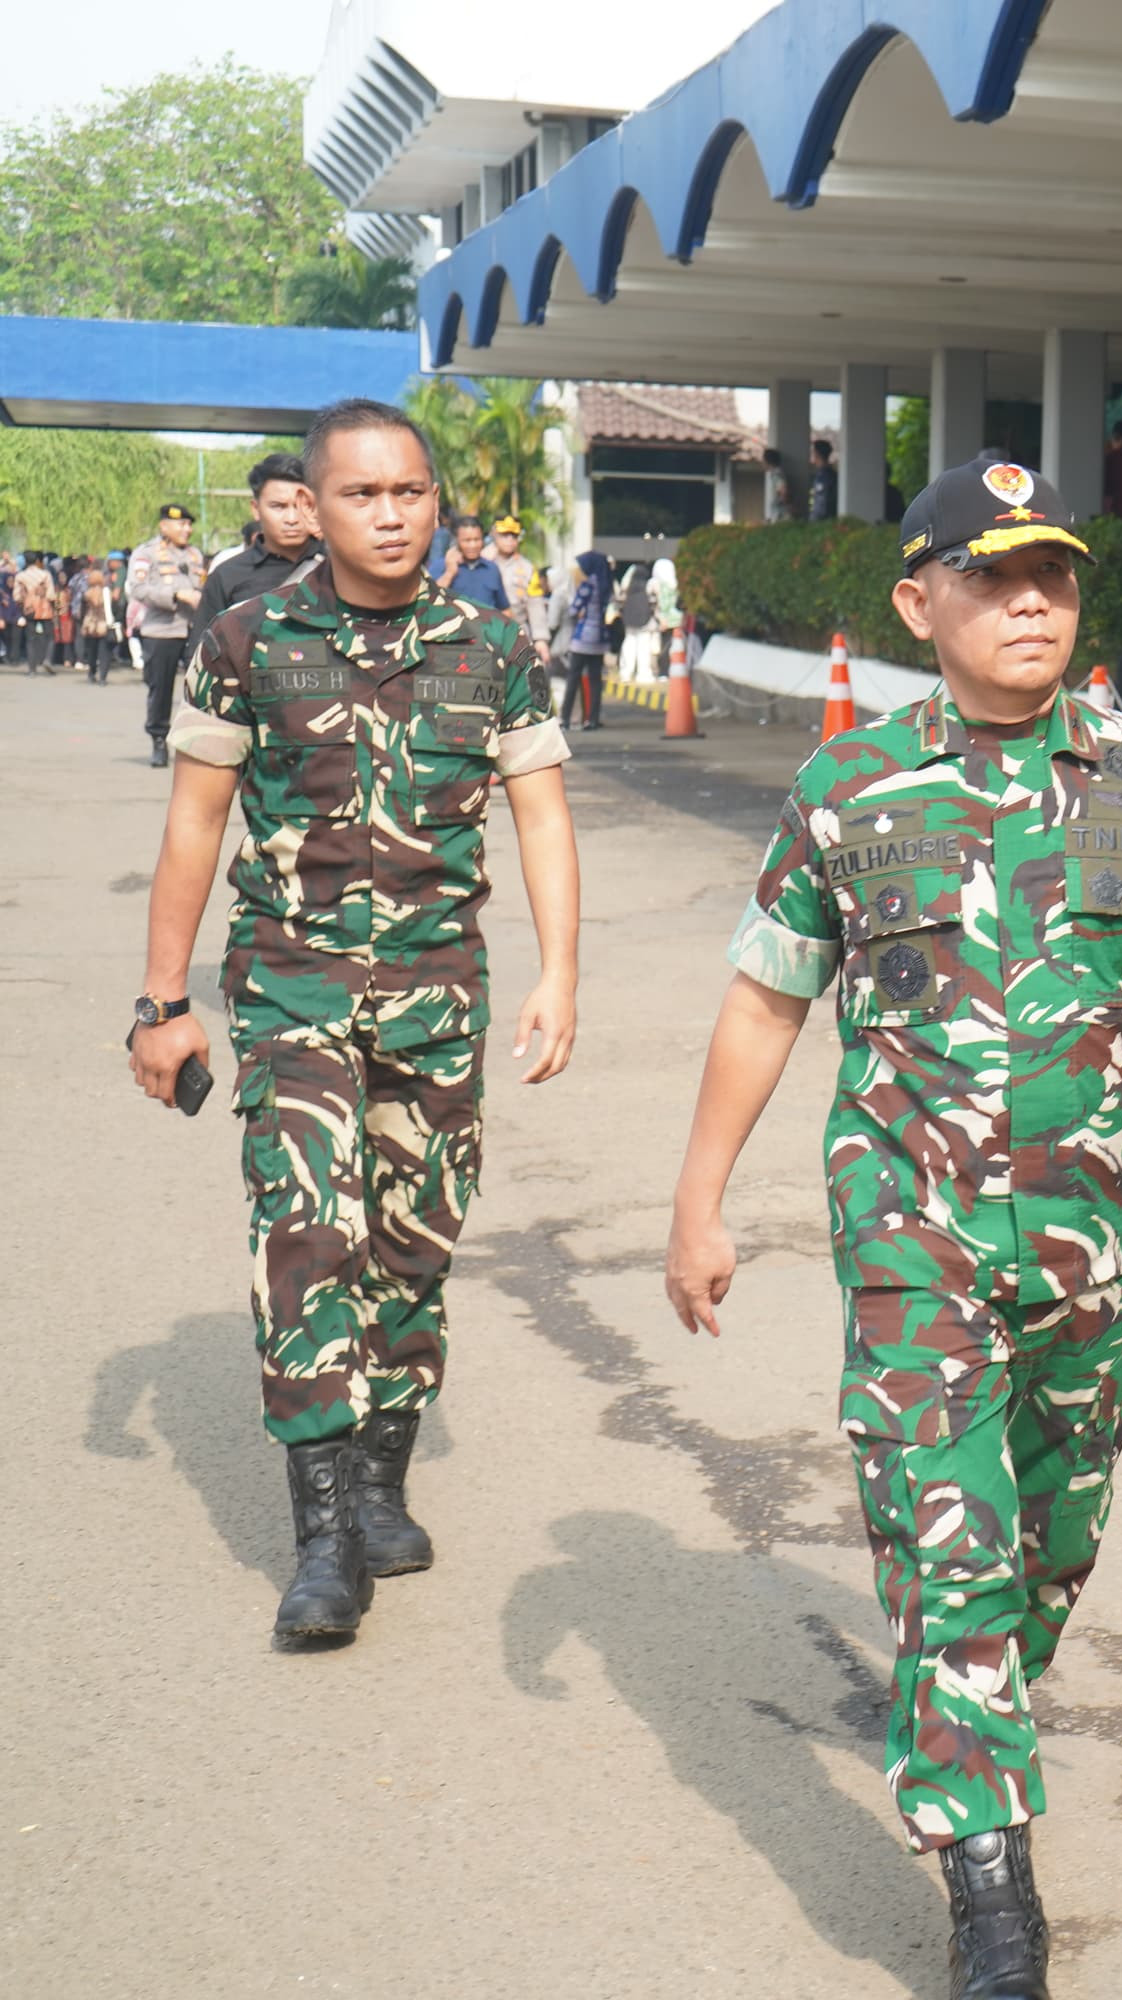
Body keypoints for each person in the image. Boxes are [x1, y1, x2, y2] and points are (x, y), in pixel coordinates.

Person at [661, 452, 1122, 2000]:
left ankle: (978, 1706)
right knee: (950, 1544)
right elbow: (767, 997)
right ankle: (989, 1872)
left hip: (1087, 1240)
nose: (1032, 602)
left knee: (1051, 1536)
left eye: (1056, 576)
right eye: (993, 576)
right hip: (913, 1237)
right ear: (918, 600)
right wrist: (699, 1198)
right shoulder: (850, 788)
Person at [132, 396, 580, 1646]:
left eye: (411, 493)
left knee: (413, 1240)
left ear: (436, 502)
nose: (391, 515)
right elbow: (192, 826)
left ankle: (383, 1474)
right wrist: (163, 1003)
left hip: (440, 994)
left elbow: (540, 815)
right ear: (312, 508)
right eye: (362, 494)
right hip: (293, 987)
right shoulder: (245, 640)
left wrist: (561, 974)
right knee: (306, 1233)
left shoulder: (492, 647)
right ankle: (323, 1534)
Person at [183, 454, 323, 702]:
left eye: (301, 506)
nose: (292, 519)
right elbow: (201, 656)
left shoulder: (342, 567)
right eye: (278, 507)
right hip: (255, 717)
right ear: (255, 509)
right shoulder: (227, 576)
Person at [126, 503, 209, 765]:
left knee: (201, 687)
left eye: (188, 524)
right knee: (160, 689)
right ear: (164, 526)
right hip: (161, 630)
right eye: (181, 524)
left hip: (194, 629)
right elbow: (138, 589)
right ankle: (159, 740)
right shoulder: (146, 553)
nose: (187, 529)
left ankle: (200, 743)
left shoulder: (195, 555)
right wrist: (175, 595)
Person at [557, 550, 615, 732]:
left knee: (573, 679)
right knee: (595, 681)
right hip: (599, 639)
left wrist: (579, 611)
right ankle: (593, 719)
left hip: (582, 639)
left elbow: (574, 610)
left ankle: (565, 718)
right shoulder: (606, 586)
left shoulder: (587, 585)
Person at [488, 516, 553, 656]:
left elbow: (535, 603)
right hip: (486, 629)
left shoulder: (527, 568)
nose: (510, 540)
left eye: (514, 536)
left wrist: (540, 639)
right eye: (504, 535)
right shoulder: (483, 561)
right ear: (494, 535)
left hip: (517, 629)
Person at [442, 518, 508, 608]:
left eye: (477, 540)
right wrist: (450, 573)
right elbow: (429, 601)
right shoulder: (442, 566)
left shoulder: (492, 569)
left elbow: (504, 609)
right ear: (457, 541)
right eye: (467, 540)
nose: (472, 545)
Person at [77, 559, 120, 683]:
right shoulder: (107, 593)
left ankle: (91, 673)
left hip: (90, 624)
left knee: (91, 650)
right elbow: (115, 608)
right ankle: (103, 676)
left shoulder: (87, 593)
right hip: (104, 624)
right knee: (104, 651)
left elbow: (82, 609)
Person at [809, 437, 840, 521]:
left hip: (822, 523)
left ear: (816, 454)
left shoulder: (824, 476)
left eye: (812, 452)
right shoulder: (828, 473)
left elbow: (822, 505)